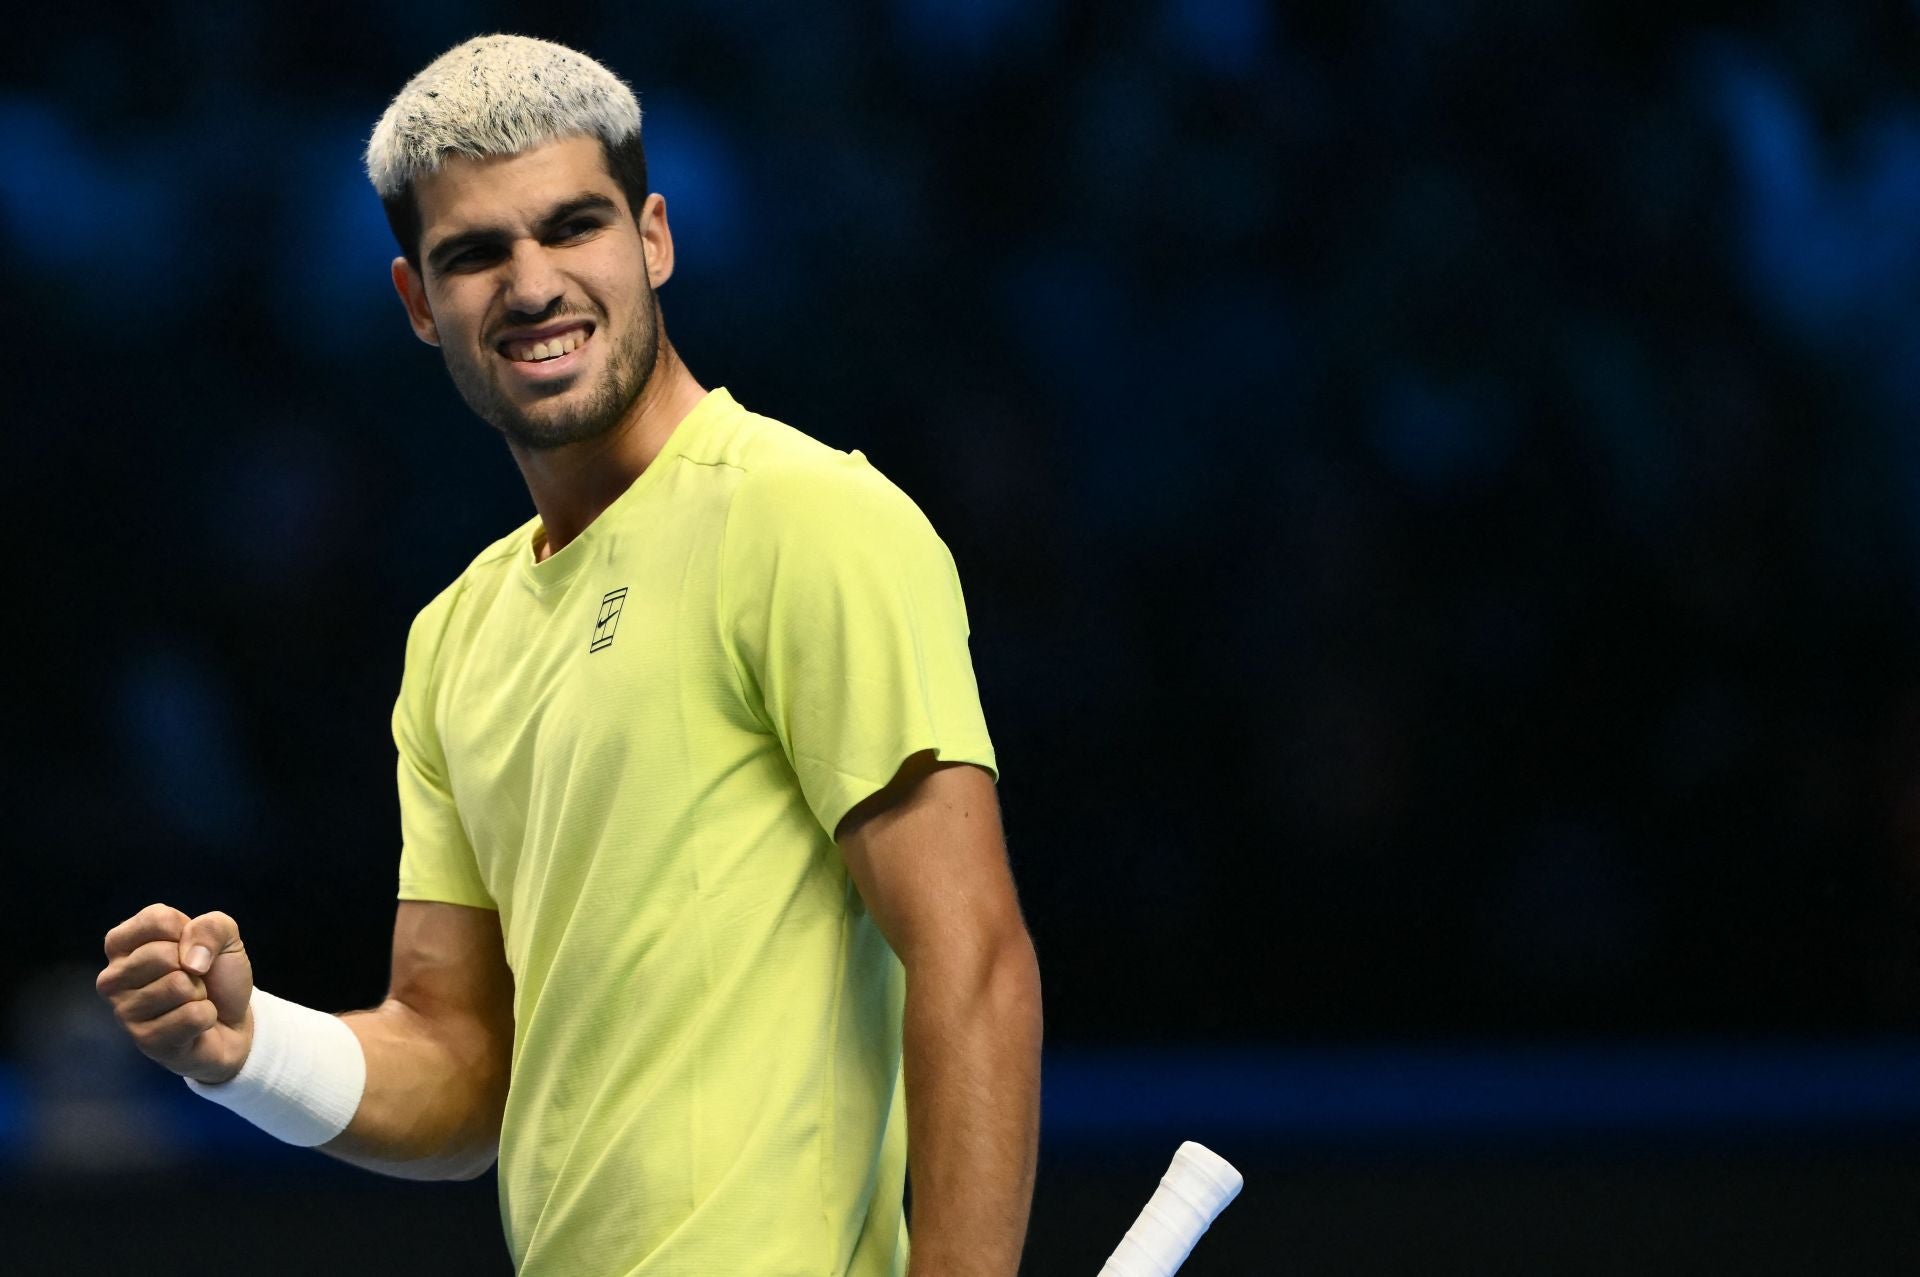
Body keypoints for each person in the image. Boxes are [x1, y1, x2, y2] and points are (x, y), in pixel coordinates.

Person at [93, 33, 1042, 1277]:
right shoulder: (455, 637)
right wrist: (244, 1047)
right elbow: (458, 1068)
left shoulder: (809, 518)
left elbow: (969, 958)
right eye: (476, 253)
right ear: (418, 303)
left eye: (572, 227)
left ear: (653, 237)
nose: (532, 283)